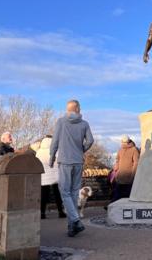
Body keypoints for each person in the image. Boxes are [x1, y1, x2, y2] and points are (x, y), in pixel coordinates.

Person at [50, 99, 94, 237]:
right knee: (74, 194)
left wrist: (52, 157)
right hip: (78, 162)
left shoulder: (61, 122)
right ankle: (72, 227)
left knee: (65, 193)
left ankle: (75, 220)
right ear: (78, 109)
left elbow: (55, 142)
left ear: (68, 109)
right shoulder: (84, 124)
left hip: (65, 161)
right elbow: (90, 141)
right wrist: (82, 150)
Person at [35, 135, 67, 219]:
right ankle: (60, 212)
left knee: (43, 195)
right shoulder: (56, 150)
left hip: (44, 176)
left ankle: (42, 213)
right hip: (55, 175)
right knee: (58, 195)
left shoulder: (39, 151)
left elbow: (37, 163)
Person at [111, 135, 139, 202]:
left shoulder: (134, 149)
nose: (123, 144)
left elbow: (136, 163)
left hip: (129, 177)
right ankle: (112, 205)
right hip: (120, 176)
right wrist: (116, 169)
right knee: (117, 194)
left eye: (125, 142)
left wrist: (133, 175)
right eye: (122, 142)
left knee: (128, 196)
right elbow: (117, 160)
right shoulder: (120, 150)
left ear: (128, 142)